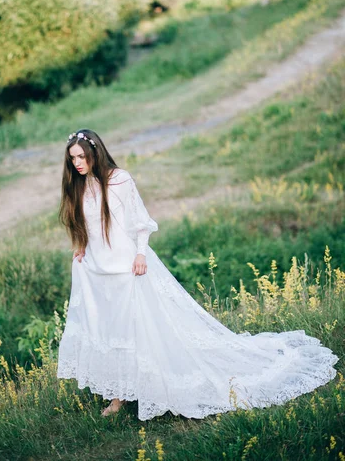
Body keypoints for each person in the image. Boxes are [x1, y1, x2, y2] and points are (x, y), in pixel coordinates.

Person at [56, 128, 339, 421]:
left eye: (81, 156)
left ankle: (142, 388)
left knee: (136, 327)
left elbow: (139, 221)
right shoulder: (79, 186)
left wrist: (141, 253)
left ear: (94, 152)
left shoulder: (120, 179)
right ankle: (119, 393)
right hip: (98, 269)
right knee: (110, 329)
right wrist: (81, 247)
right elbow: (86, 224)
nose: (77, 163)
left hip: (127, 265)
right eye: (72, 158)